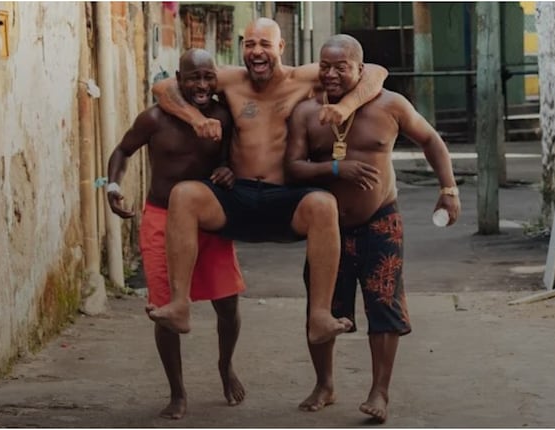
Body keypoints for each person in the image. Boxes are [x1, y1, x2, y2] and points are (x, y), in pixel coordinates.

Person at [147, 18, 390, 346]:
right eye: (250, 44)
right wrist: (197, 119)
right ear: (242, 48)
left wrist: (346, 106)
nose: (257, 51)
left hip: (284, 195)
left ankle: (320, 315)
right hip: (238, 193)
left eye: (265, 44)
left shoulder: (302, 78)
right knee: (185, 194)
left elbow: (375, 72)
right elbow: (163, 88)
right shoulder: (230, 79)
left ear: (281, 47)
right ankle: (179, 305)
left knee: (322, 204)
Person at [285, 34, 461, 423]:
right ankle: (325, 384)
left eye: (340, 67)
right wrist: (334, 168)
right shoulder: (305, 113)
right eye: (324, 66)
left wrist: (448, 188)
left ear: (359, 69)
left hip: (381, 218)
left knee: (384, 304)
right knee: (322, 305)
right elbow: (293, 168)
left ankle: (379, 391)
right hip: (328, 228)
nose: (330, 74)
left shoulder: (390, 105)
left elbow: (431, 139)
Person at [106, 49, 246, 420]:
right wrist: (110, 188)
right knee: (164, 310)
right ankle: (177, 392)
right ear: (178, 80)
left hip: (208, 216)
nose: (201, 85)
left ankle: (225, 365)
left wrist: (228, 171)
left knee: (228, 303)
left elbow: (232, 160)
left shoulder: (222, 116)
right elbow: (122, 150)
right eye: (193, 78)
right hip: (161, 218)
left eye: (207, 77)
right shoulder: (154, 118)